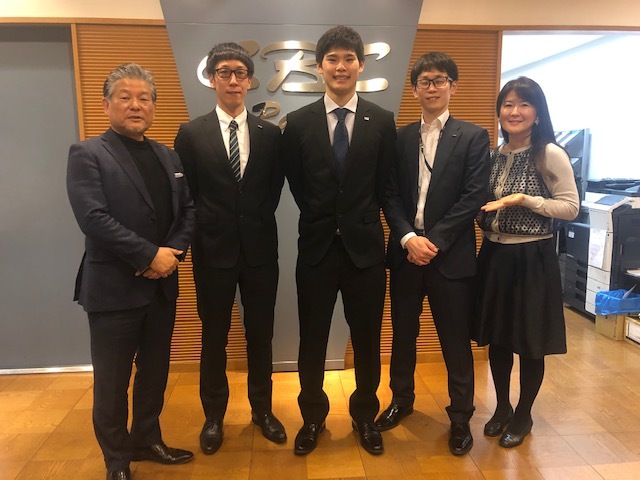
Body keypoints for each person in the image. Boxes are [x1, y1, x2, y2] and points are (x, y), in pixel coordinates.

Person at [66, 63, 196, 480]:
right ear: (107, 105)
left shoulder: (168, 156)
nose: (136, 105)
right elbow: (93, 218)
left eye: (144, 98)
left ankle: (146, 439)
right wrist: (148, 255)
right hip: (113, 288)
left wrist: (172, 254)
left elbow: (188, 210)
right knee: (112, 381)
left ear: (153, 107)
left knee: (154, 373)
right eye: (125, 97)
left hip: (161, 286)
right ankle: (117, 461)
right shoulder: (88, 154)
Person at [282, 25, 396, 456]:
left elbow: (385, 186)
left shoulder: (381, 121)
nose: (341, 66)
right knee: (312, 339)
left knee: (367, 339)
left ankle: (365, 416)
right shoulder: (298, 123)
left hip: (366, 252)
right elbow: (298, 184)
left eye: (349, 58)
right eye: (333, 59)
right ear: (320, 67)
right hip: (316, 250)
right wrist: (324, 218)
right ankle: (312, 417)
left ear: (361, 65)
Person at [174, 42, 286, 455]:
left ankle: (263, 411)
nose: (233, 80)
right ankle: (214, 417)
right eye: (224, 72)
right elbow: (188, 196)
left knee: (261, 335)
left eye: (240, 72)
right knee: (214, 337)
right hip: (212, 252)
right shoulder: (191, 133)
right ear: (212, 79)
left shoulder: (271, 134)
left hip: (260, 252)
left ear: (250, 80)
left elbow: (272, 190)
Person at [378, 52, 490, 456]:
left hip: (450, 257)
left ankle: (460, 417)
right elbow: (389, 193)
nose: (432, 87)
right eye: (424, 81)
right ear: (414, 89)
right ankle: (401, 400)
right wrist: (408, 237)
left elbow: (473, 196)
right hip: (406, 254)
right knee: (403, 334)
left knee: (454, 340)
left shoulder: (474, 136)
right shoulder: (401, 138)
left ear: (452, 87)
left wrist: (434, 241)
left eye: (440, 80)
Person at [474, 76, 579, 448]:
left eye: (524, 104)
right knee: (498, 338)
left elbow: (570, 207)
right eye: (508, 104)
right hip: (494, 255)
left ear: (537, 112)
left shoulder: (549, 153)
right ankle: (502, 406)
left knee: (531, 340)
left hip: (532, 257)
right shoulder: (494, 155)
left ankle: (523, 413)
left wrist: (525, 200)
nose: (514, 112)